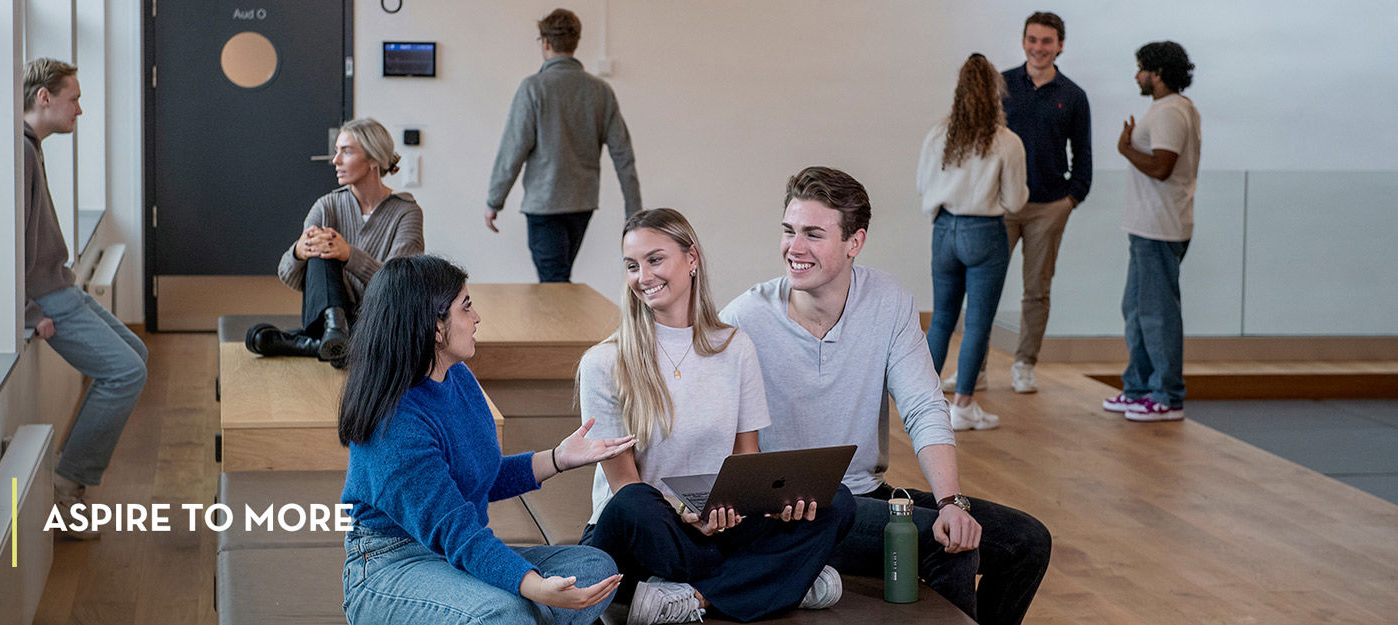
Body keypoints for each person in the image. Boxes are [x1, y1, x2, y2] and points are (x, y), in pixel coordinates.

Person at [721, 166, 1051, 625]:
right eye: (789, 231)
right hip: (791, 514)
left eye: (813, 234)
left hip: (866, 495)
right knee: (945, 546)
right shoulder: (742, 319)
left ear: (853, 243)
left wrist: (952, 502)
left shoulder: (889, 301)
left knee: (1026, 542)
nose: (794, 248)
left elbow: (922, 407)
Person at [577, 209, 855, 624]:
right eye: (632, 266)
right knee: (635, 504)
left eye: (655, 260)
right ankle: (780, 582)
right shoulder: (604, 361)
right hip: (646, 530)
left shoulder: (735, 347)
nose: (643, 276)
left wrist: (749, 506)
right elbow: (623, 485)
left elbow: (747, 457)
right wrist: (684, 514)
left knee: (839, 503)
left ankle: (695, 596)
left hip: (719, 524)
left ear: (692, 259)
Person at [338, 255, 635, 625]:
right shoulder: (395, 426)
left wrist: (558, 457)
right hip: (392, 565)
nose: (476, 317)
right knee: (505, 611)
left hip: (453, 553)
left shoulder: (457, 376)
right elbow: (455, 530)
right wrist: (535, 587)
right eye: (466, 308)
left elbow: (478, 477)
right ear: (435, 327)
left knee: (594, 567)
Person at [23, 58, 149, 541]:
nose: (81, 109)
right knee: (127, 371)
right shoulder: (21, 150)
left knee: (136, 356)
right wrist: (29, 313)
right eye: (73, 98)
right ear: (45, 98)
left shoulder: (32, 148)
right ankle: (65, 486)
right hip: (47, 297)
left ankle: (68, 474)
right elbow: (2, 241)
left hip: (60, 284)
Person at [951, 11, 1091, 394]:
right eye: (1032, 39)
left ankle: (1025, 364)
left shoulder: (1073, 96)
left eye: (1047, 41)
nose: (1038, 47)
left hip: (1049, 207)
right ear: (1023, 41)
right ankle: (972, 371)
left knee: (1037, 290)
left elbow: (1083, 155)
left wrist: (1071, 199)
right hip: (1002, 207)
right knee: (982, 289)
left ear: (1060, 45)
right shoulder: (1004, 85)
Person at [249, 118, 424, 365]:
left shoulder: (406, 212)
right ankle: (336, 333)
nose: (336, 160)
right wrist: (299, 252)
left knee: (331, 248)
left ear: (373, 159)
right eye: (336, 152)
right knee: (322, 250)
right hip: (330, 315)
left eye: (347, 152)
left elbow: (400, 287)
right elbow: (288, 275)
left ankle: (315, 343)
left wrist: (349, 255)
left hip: (379, 320)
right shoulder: (326, 206)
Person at [485, 8, 642, 283]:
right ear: (575, 42)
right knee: (558, 279)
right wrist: (634, 211)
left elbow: (513, 151)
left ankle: (562, 327)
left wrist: (494, 201)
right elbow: (623, 154)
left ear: (545, 42)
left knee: (554, 284)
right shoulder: (600, 91)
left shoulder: (534, 88)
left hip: (544, 205)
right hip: (582, 203)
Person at [918, 54, 1029, 429]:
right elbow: (1015, 201)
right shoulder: (1006, 142)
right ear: (995, 92)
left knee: (941, 320)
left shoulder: (938, 135)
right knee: (978, 322)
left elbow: (923, 187)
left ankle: (924, 403)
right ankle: (963, 406)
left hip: (944, 230)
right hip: (984, 233)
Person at [1105, 41, 1200, 422]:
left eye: (1141, 68)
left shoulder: (1172, 111)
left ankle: (1166, 395)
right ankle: (1139, 387)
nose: (1137, 75)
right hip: (1148, 227)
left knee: (1157, 314)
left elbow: (1162, 167)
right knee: (1137, 309)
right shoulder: (1167, 109)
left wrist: (1125, 148)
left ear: (1158, 73)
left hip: (1160, 228)